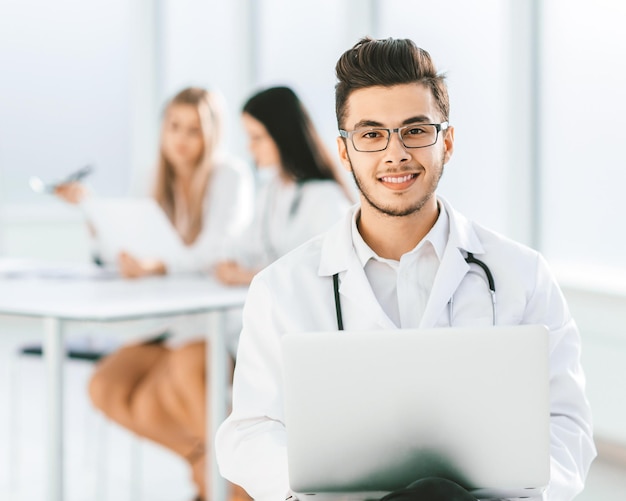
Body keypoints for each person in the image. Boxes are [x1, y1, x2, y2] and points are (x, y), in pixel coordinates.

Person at [215, 38, 597, 501]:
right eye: (371, 134)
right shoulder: (281, 288)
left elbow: (567, 425)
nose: (395, 154)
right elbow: (250, 430)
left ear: (447, 142)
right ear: (344, 150)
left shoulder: (523, 275)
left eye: (415, 130)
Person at [64, 87, 254, 501]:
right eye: (174, 127)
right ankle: (203, 464)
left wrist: (160, 265)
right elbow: (123, 249)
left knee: (180, 378)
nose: (182, 139)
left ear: (211, 135)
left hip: (211, 322)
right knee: (105, 387)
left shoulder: (229, 176)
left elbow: (217, 249)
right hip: (161, 324)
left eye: (193, 130)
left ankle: (235, 486)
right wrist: (95, 218)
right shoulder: (150, 176)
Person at [214, 86, 353, 288]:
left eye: (257, 137)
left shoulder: (324, 197)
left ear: (282, 136)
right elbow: (247, 245)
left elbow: (332, 270)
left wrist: (251, 276)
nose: (249, 147)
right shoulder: (272, 190)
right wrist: (228, 261)